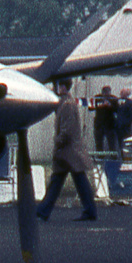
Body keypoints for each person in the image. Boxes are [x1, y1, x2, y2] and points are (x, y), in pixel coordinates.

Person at [37, 80, 98, 222]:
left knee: (62, 181)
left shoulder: (67, 105)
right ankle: (89, 210)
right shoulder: (66, 103)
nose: (54, 89)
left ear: (62, 87)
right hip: (68, 151)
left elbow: (67, 130)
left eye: (56, 86)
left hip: (68, 151)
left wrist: (58, 142)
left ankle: (43, 211)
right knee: (70, 180)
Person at [92, 86, 119, 156]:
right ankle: (99, 159)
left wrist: (110, 106)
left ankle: (113, 159)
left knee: (112, 144)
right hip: (99, 124)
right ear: (102, 93)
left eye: (108, 93)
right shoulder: (97, 98)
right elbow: (90, 107)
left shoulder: (114, 99)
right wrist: (101, 105)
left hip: (110, 125)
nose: (107, 95)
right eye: (105, 93)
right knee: (99, 144)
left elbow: (118, 110)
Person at [113, 89, 132, 154]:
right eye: (121, 93)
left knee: (127, 144)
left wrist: (125, 123)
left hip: (126, 128)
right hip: (118, 127)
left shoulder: (130, 103)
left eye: (123, 93)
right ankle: (121, 157)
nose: (121, 94)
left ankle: (127, 158)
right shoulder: (117, 101)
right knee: (120, 144)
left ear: (127, 94)